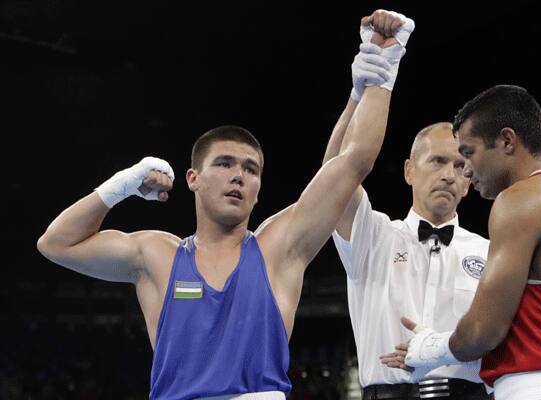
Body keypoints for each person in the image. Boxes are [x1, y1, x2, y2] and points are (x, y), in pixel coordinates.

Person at [36, 10, 413, 400]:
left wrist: (379, 74)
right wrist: (122, 185)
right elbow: (56, 244)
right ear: (193, 179)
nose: (238, 175)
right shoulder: (157, 255)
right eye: (225, 164)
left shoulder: (279, 246)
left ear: (258, 186)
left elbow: (351, 163)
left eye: (251, 169)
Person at [388, 85, 541, 400]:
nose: (464, 169)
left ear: (506, 141)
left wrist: (430, 347)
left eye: (469, 152)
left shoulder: (520, 201)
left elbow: (482, 332)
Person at [324, 24, 490, 397]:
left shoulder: (490, 252)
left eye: (459, 166)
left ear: (469, 181)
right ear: (409, 171)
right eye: (437, 162)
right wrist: (364, 88)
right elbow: (333, 175)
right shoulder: (374, 235)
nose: (449, 175)